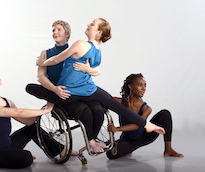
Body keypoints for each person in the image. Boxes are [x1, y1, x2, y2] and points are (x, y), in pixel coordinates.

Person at [26, 18, 165, 139]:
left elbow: (56, 60)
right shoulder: (97, 50)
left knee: (30, 88)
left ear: (98, 33)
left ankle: (92, 139)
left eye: (92, 24)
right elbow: (96, 69)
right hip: (87, 91)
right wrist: (90, 70)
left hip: (72, 92)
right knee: (116, 106)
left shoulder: (80, 44)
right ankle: (147, 124)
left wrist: (42, 63)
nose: (88, 24)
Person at [27, 20, 106, 153]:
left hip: (80, 91)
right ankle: (90, 142)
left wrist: (89, 70)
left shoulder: (77, 49)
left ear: (67, 34)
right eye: (53, 30)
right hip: (61, 94)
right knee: (85, 110)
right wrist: (55, 89)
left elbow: (94, 69)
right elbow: (40, 76)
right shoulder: (45, 53)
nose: (55, 32)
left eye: (59, 30)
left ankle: (92, 139)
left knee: (98, 110)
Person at [0, 65, 64, 169]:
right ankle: (18, 155)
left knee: (32, 128)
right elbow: (18, 112)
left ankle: (61, 150)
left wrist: (49, 102)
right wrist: (45, 110)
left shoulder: (6, 101)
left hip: (10, 145)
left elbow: (28, 121)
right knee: (27, 158)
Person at [106, 73, 184, 159]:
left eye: (145, 86)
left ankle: (168, 149)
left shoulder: (146, 108)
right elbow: (105, 100)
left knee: (165, 114)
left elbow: (138, 125)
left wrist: (116, 129)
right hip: (128, 140)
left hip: (145, 136)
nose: (144, 89)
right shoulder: (120, 102)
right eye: (140, 85)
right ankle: (127, 148)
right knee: (110, 154)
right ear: (130, 86)